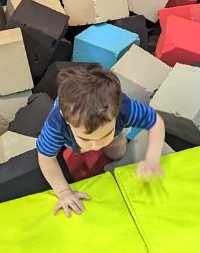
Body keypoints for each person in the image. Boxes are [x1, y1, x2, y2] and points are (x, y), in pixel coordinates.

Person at [36, 64, 166, 217]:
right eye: (86, 138)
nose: (96, 146)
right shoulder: (56, 125)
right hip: (72, 137)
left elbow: (155, 122)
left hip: (113, 130)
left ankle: (108, 137)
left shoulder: (125, 108)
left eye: (104, 136)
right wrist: (64, 192)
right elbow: (46, 157)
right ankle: (93, 137)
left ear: (116, 114)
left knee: (117, 152)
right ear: (67, 120)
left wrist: (152, 158)